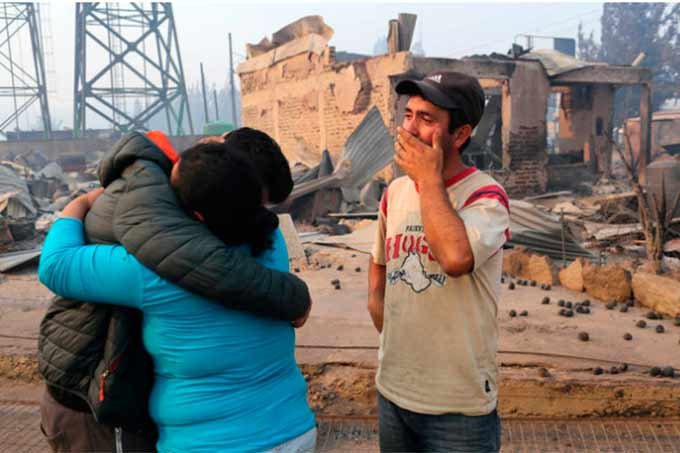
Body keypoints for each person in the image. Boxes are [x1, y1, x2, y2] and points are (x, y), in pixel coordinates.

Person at [38, 128, 311, 452]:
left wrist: (80, 202)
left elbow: (55, 264)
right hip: (293, 429)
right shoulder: (272, 244)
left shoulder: (152, 271)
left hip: (206, 443)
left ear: (194, 211)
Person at [367, 71, 510, 452]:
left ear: (460, 135)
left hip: (457, 408)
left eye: (427, 119)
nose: (410, 129)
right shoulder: (395, 192)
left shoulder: (485, 196)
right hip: (393, 393)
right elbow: (379, 263)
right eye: (408, 114)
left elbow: (455, 258)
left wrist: (429, 181)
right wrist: (381, 310)